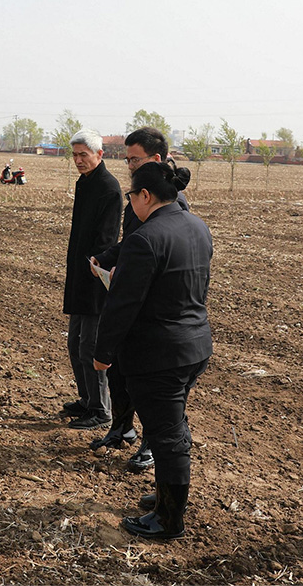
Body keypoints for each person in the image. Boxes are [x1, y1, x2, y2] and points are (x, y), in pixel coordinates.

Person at [93, 161, 212, 539]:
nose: (130, 203)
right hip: (195, 345)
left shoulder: (145, 239)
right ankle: (166, 497)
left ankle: (169, 519)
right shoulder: (198, 226)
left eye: (131, 196)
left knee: (166, 434)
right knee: (172, 427)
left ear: (145, 195)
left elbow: (122, 304)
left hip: (159, 354)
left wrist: (103, 353)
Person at [90, 127, 191, 474]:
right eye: (128, 159)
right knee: (121, 372)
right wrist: (106, 257)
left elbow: (154, 251)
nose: (129, 165)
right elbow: (131, 241)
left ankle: (151, 443)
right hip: (134, 294)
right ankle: (122, 427)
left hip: (154, 314)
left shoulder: (170, 202)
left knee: (153, 388)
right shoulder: (139, 197)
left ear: (155, 159)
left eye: (134, 159)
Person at [60, 129, 122, 430]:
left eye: (83, 154)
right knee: (74, 344)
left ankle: (100, 410)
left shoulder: (109, 188)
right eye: (74, 155)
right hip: (79, 276)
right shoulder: (85, 183)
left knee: (90, 347)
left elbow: (107, 239)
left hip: (95, 278)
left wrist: (95, 265)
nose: (78, 160)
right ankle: (87, 400)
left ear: (100, 154)